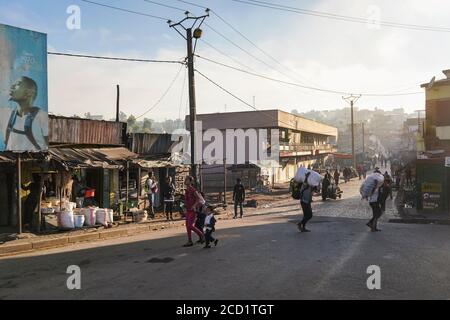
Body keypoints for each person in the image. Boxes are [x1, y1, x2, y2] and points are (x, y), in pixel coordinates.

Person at [4, 77, 48, 151]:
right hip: (11, 159)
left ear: (29, 93)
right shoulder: (8, 115)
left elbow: (47, 142)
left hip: (35, 160)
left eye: (18, 84)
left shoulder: (41, 116)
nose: (12, 86)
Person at [183, 176, 204, 247]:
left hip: (193, 210)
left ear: (191, 182)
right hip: (188, 210)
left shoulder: (193, 190)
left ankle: (201, 235)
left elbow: (198, 199)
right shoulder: (187, 190)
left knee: (190, 225)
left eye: (187, 180)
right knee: (187, 226)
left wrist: (194, 205)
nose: (185, 181)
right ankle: (189, 241)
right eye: (185, 180)